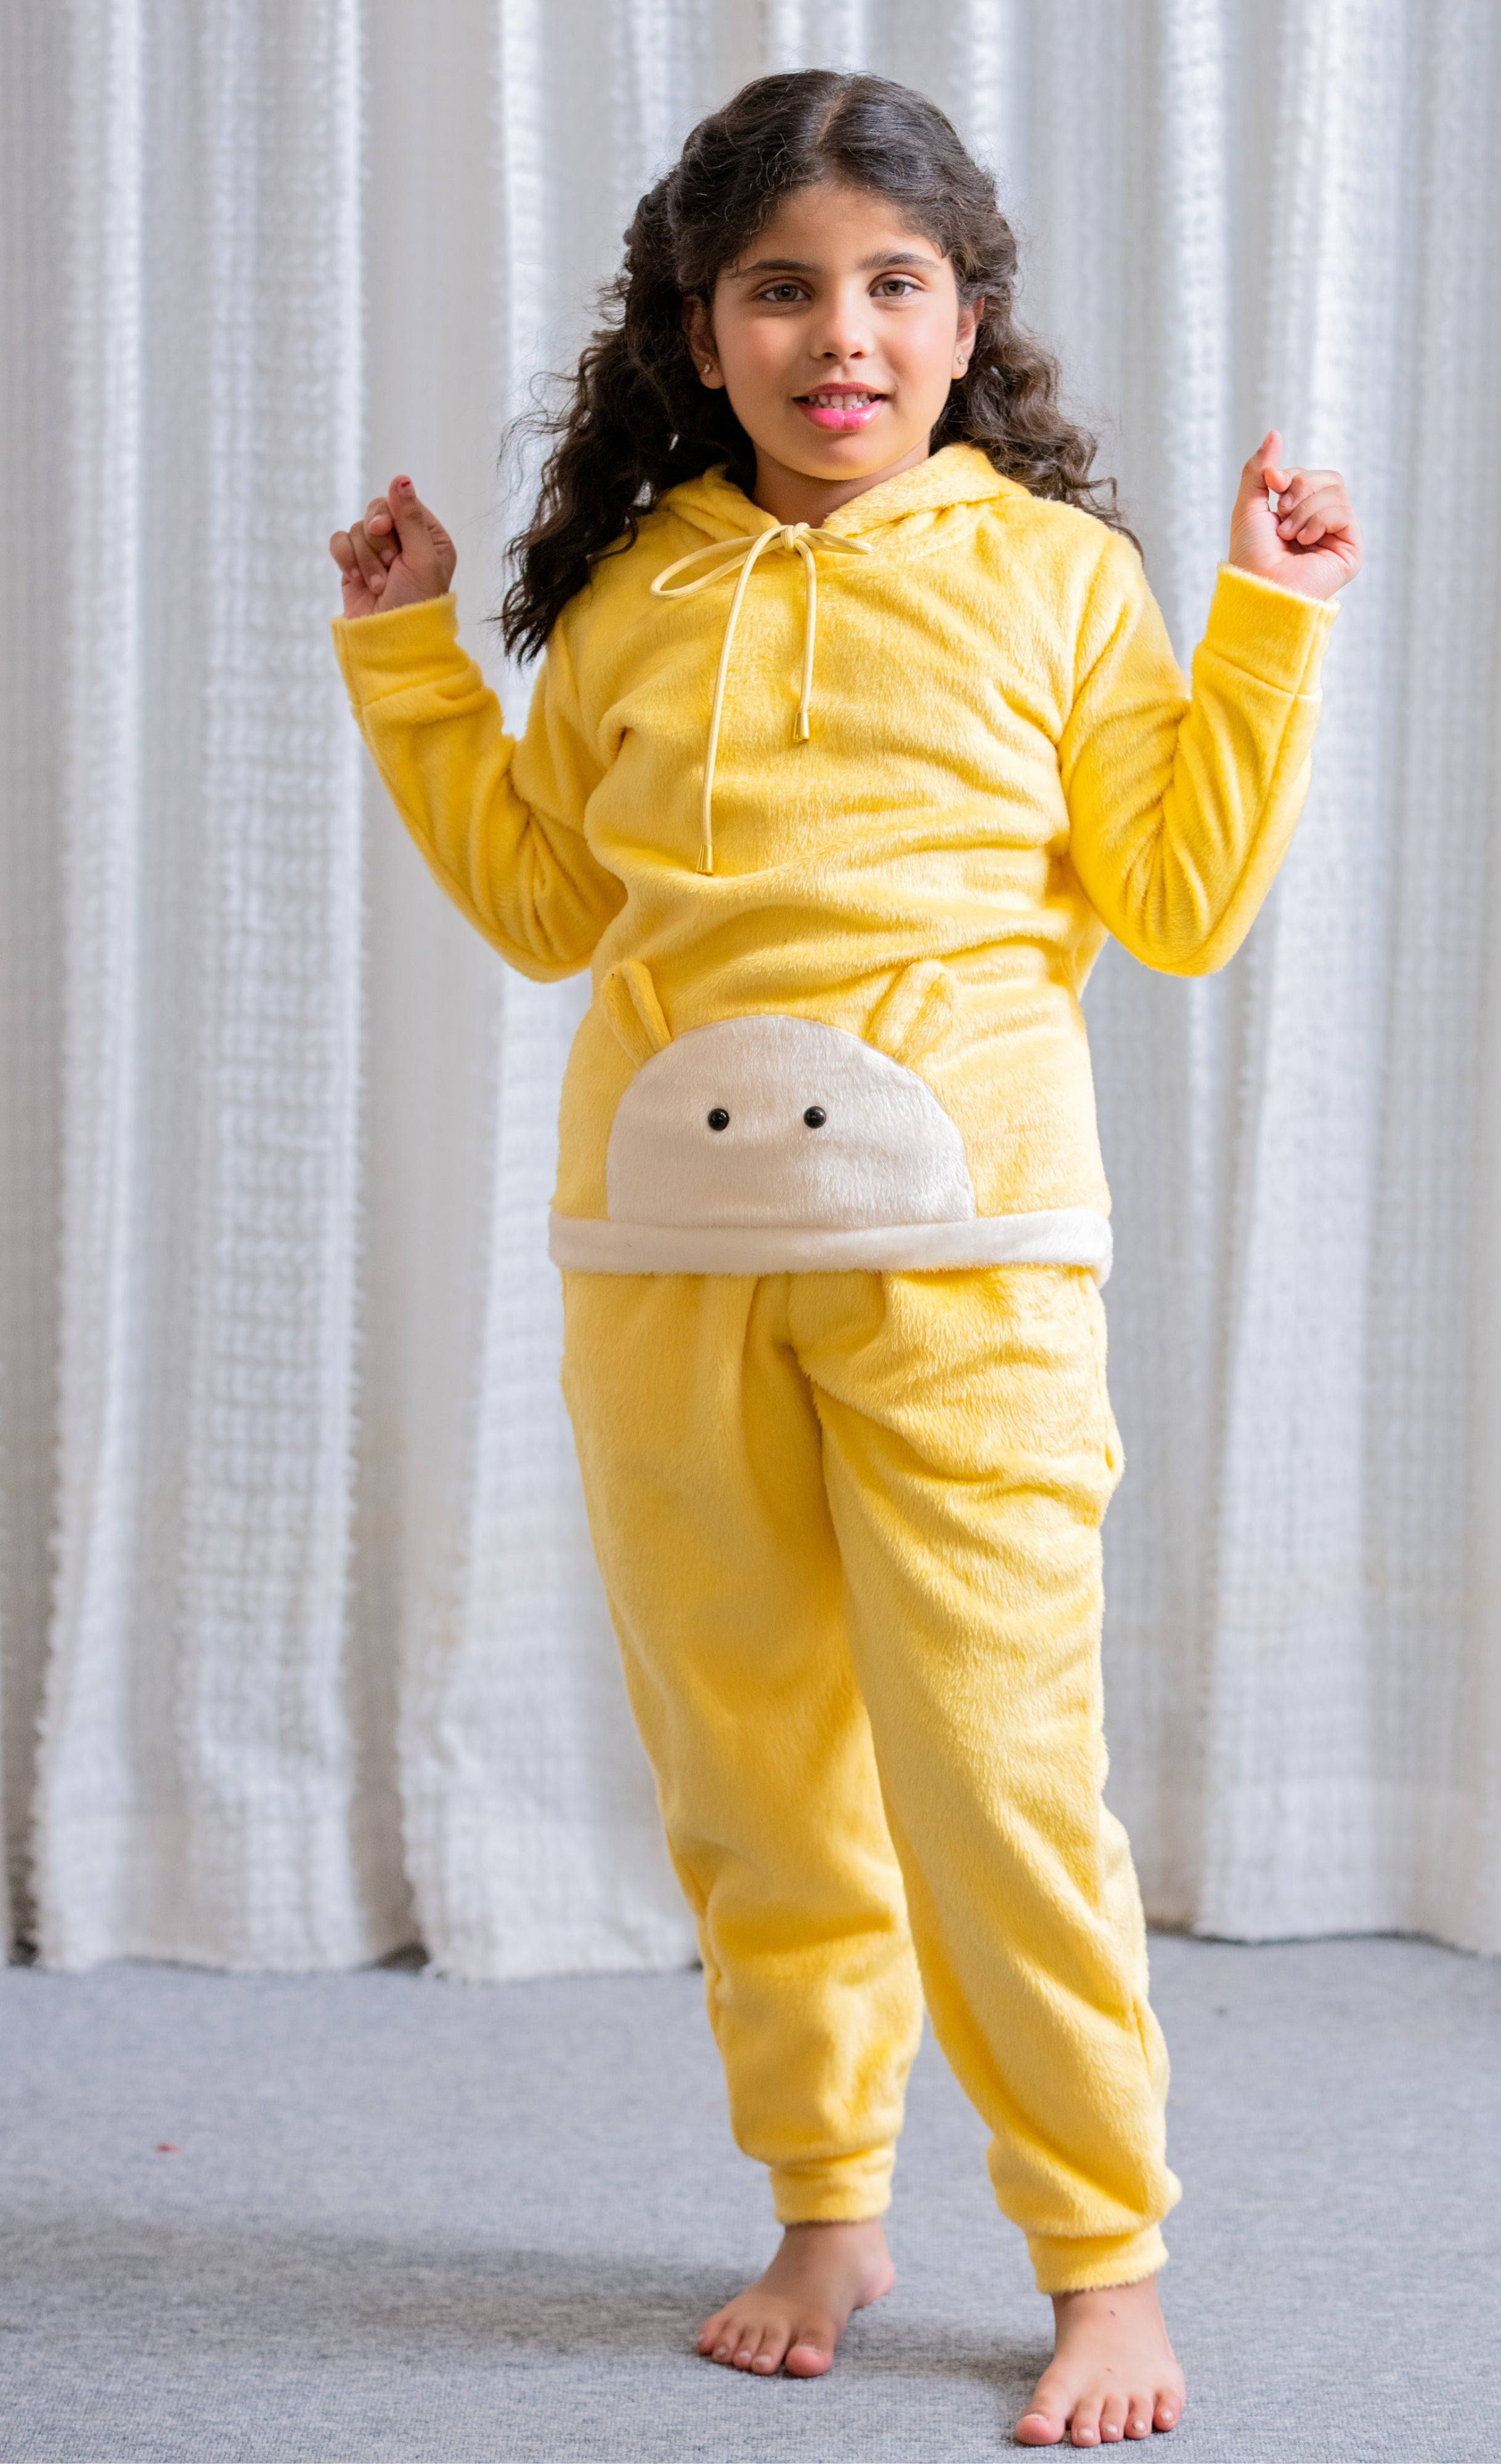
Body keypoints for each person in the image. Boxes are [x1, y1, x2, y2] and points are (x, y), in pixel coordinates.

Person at [328, 67, 1359, 2450]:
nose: (841, 336)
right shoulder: (634, 597)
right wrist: (409, 660)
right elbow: (548, 906)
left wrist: (1269, 625)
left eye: (894, 285)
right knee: (755, 1776)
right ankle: (826, 2203)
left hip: (967, 1260)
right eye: (782, 290)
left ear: (967, 321)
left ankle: (1103, 2255)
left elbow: (1181, 901)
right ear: (702, 335)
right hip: (665, 1267)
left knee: (997, 1770)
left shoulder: (1053, 579)